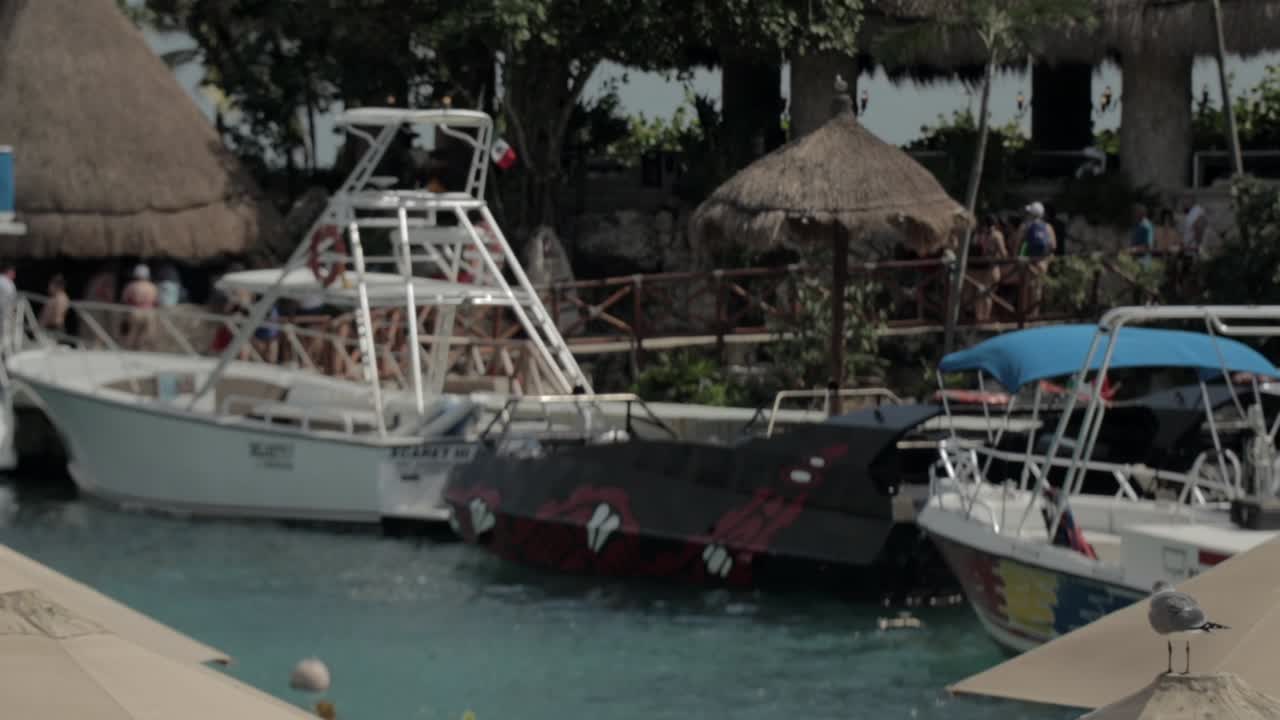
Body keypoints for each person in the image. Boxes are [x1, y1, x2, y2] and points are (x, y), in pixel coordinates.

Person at [1016, 202, 1056, 317]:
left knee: (1025, 288)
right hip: (1042, 262)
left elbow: (1017, 243)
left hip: (1028, 261)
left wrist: (1018, 256)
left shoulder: (1025, 226)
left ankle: (1023, 316)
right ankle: (1035, 316)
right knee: (1037, 289)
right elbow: (1053, 246)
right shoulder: (1048, 227)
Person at [968, 214, 1008, 323]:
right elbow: (1004, 254)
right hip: (991, 268)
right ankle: (985, 319)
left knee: (978, 294)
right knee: (988, 295)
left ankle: (978, 318)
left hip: (977, 268)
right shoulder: (997, 235)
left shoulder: (978, 234)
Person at [120, 263, 158, 350]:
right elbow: (155, 300)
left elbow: (125, 299)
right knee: (145, 333)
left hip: (134, 311)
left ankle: (128, 348)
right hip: (149, 312)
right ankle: (141, 348)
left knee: (131, 332)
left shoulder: (131, 286)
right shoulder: (152, 286)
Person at [1129, 202, 1155, 268]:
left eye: (1136, 212)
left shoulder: (1146, 226)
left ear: (1142, 213)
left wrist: (1134, 249)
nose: (1134, 214)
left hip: (1143, 261)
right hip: (1134, 259)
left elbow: (1148, 247)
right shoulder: (1137, 224)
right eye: (1134, 212)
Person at [0, 262, 16, 349]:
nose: (14, 275)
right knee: (5, 334)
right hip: (4, 313)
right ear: (9, 272)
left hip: (4, 312)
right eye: (13, 272)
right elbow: (11, 299)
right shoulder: (7, 283)